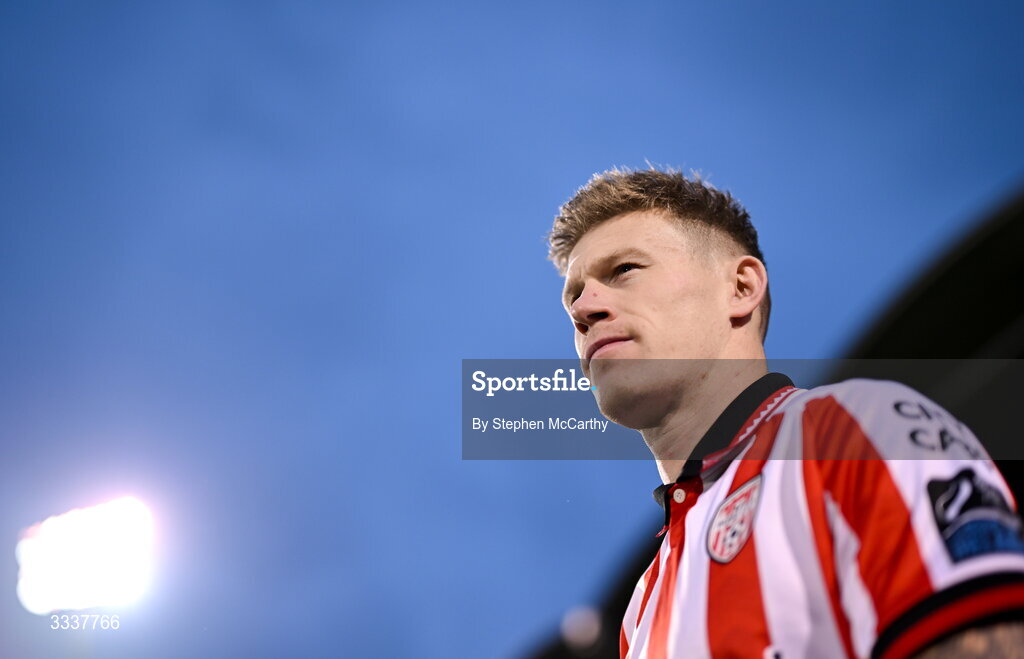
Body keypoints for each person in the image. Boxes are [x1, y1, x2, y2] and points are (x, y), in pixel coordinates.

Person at [547, 168, 1024, 658]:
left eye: (624, 270)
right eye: (573, 298)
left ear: (741, 287)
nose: (584, 308)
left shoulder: (857, 428)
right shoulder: (640, 612)